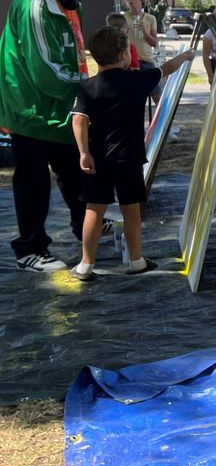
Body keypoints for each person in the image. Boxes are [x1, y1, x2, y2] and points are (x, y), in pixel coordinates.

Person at [0, 0, 103, 272]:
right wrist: (94, 89)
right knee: (33, 180)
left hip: (60, 108)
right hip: (31, 109)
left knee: (74, 168)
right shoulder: (36, 7)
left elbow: (73, 54)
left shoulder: (68, 1)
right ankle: (30, 248)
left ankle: (84, 226)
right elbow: (45, 72)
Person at [70, 28, 197, 281]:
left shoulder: (87, 87)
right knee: (131, 210)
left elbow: (79, 121)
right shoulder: (138, 79)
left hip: (98, 159)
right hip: (129, 158)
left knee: (94, 210)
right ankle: (136, 261)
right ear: (122, 54)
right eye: (128, 50)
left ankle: (85, 264)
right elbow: (167, 68)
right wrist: (185, 57)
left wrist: (84, 152)